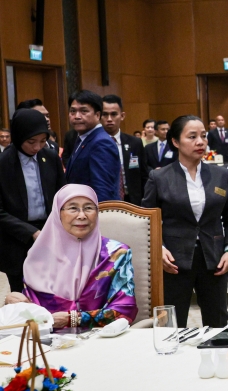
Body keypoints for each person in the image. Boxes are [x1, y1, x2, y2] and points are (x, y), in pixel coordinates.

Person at [142, 115, 228, 327]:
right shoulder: (160, 178)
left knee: (217, 323)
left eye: (203, 136)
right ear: (176, 142)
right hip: (174, 261)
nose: (200, 142)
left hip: (214, 258)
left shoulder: (220, 175)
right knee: (172, 325)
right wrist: (158, 249)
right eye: (192, 136)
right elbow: (146, 221)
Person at [4, 184, 138, 327]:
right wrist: (16, 303)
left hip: (100, 339)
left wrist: (75, 319)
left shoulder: (116, 254)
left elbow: (125, 310)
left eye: (88, 208)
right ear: (57, 213)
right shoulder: (39, 255)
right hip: (47, 342)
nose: (81, 216)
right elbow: (32, 315)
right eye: (73, 208)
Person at [0, 109, 65, 293]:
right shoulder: (3, 163)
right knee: (22, 297)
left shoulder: (50, 157)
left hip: (49, 233)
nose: (37, 147)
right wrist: (32, 232)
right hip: (16, 238)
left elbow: (62, 195)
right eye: (31, 142)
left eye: (43, 141)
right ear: (19, 136)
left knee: (52, 291)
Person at [63, 90, 120, 203]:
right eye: (73, 111)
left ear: (97, 115)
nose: (77, 116)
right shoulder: (81, 139)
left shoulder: (101, 143)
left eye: (84, 111)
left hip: (94, 214)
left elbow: (102, 190)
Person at [101, 95, 148, 206]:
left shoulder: (135, 142)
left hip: (132, 200)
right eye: (105, 114)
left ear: (122, 116)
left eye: (113, 114)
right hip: (105, 201)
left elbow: (143, 174)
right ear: (98, 116)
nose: (109, 119)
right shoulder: (93, 143)